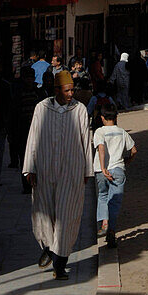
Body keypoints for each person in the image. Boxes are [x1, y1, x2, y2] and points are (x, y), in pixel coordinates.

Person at [23, 70, 93, 280]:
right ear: (56, 91)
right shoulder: (41, 108)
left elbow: (85, 138)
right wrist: (30, 168)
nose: (71, 94)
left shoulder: (79, 110)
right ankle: (49, 248)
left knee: (67, 217)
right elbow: (33, 137)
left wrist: (87, 169)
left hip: (71, 171)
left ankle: (59, 264)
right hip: (45, 170)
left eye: (73, 90)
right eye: (67, 90)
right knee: (44, 214)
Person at [93, 103, 137, 248]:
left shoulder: (100, 132)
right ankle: (111, 230)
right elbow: (134, 150)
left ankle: (104, 222)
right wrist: (128, 161)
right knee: (115, 201)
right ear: (116, 117)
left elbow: (101, 148)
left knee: (103, 196)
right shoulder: (122, 132)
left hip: (101, 170)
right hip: (118, 169)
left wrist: (104, 167)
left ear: (102, 118)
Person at [15, 63, 40, 193]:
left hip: (36, 129)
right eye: (27, 77)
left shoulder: (37, 91)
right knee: (24, 157)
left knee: (36, 157)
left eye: (31, 77)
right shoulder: (18, 92)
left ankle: (34, 182)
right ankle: (26, 185)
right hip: (23, 129)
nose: (30, 80)